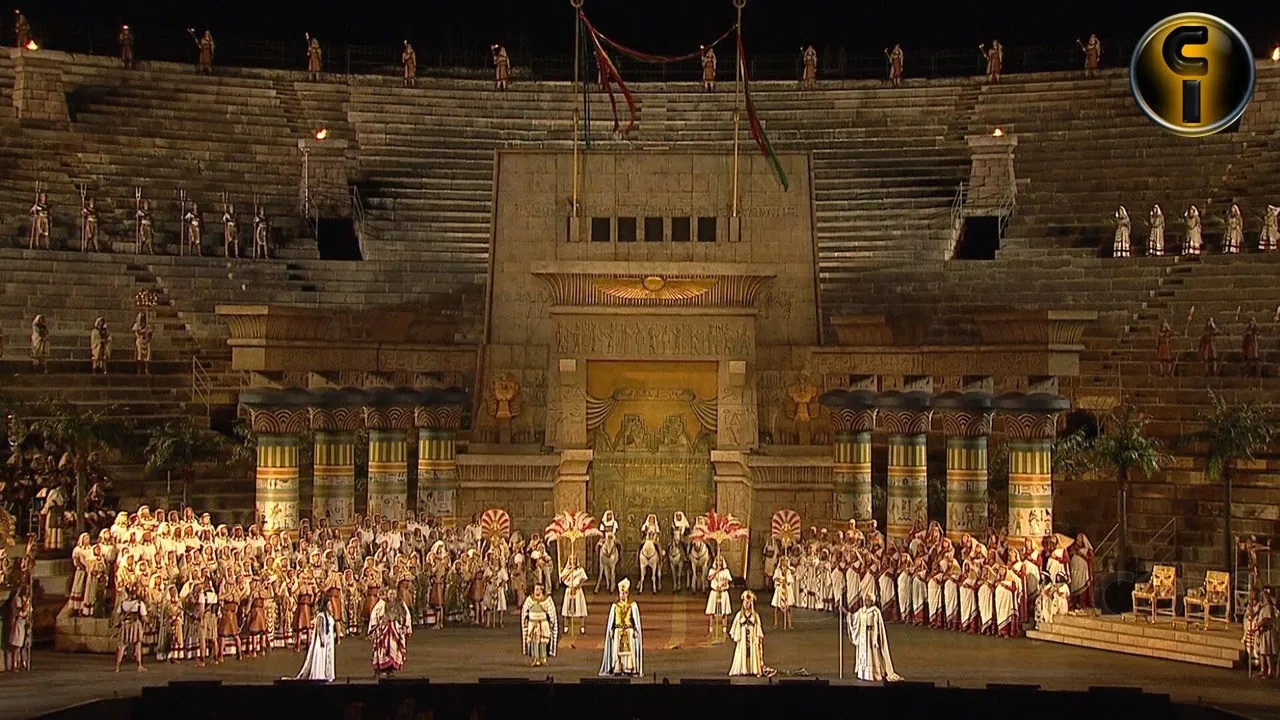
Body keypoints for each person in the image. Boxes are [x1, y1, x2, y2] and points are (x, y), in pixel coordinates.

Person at [848, 592, 903, 682]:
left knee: (872, 655)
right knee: (863, 655)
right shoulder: (861, 611)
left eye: (868, 600)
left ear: (872, 601)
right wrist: (847, 614)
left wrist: (875, 638)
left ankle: (874, 673)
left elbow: (878, 626)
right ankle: (863, 673)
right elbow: (854, 618)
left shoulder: (875, 612)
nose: (866, 602)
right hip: (863, 636)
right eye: (865, 600)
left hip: (871, 636)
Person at [599, 578, 643, 677]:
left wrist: (636, 630)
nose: (622, 595)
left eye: (624, 593)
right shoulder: (615, 606)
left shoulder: (632, 605)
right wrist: (611, 629)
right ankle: (618, 667)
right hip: (618, 631)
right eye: (620, 593)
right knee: (617, 651)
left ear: (627, 593)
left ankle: (629, 667)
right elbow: (612, 621)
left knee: (629, 651)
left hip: (629, 630)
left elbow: (635, 620)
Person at [728, 590, 775, 677]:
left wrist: (758, 638)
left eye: (748, 603)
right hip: (743, 638)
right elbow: (735, 627)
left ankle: (753, 668)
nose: (746, 604)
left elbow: (758, 628)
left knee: (752, 652)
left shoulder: (755, 615)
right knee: (742, 651)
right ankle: (743, 668)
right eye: (745, 602)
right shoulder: (739, 615)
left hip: (752, 638)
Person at [368, 586, 411, 677]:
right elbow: (374, 615)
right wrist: (375, 627)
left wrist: (404, 626)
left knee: (393, 650)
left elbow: (406, 615)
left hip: (395, 630)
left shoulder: (400, 603)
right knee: (382, 650)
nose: (392, 596)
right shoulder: (381, 603)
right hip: (383, 630)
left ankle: (390, 669)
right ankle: (379, 669)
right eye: (390, 594)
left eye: (393, 594)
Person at [294, 595, 336, 681]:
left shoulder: (329, 616)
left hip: (329, 639)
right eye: (329, 605)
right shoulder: (321, 616)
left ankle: (328, 674)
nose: (330, 607)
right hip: (322, 640)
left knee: (328, 657)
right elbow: (319, 628)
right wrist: (322, 638)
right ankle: (319, 674)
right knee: (321, 657)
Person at [521, 583, 558, 667]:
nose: (536, 591)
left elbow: (551, 613)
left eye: (538, 589)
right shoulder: (529, 600)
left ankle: (543, 657)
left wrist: (551, 622)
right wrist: (526, 619)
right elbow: (525, 611)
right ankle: (536, 658)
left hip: (543, 623)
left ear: (541, 590)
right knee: (534, 641)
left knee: (543, 641)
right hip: (533, 623)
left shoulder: (547, 600)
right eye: (535, 589)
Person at [1244, 587, 1276, 679]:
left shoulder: (1268, 607)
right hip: (1261, 632)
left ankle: (1270, 670)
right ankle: (1262, 670)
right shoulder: (1261, 607)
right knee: (1261, 652)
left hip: (1266, 632)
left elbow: (1265, 620)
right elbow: (1253, 614)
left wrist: (1256, 627)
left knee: (1267, 652)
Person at [115, 583, 147, 672]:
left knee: (122, 646)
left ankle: (117, 666)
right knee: (137, 645)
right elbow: (144, 617)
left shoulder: (123, 603)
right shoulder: (139, 603)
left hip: (125, 625)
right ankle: (139, 666)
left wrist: (118, 623)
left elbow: (118, 614)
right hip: (135, 625)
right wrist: (148, 621)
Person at [560, 553, 588, 639]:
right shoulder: (566, 569)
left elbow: (583, 579)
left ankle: (582, 629)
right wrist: (570, 570)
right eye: (571, 559)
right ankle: (566, 628)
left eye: (575, 559)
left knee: (581, 609)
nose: (573, 561)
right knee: (566, 609)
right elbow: (562, 579)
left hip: (578, 590)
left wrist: (578, 586)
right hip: (569, 590)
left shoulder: (580, 570)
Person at [706, 554, 733, 640]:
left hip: (723, 592)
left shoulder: (726, 571)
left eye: (720, 560)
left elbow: (728, 580)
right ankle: (711, 631)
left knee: (724, 612)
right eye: (717, 560)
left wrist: (722, 585)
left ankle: (724, 631)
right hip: (714, 592)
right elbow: (709, 578)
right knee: (712, 611)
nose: (719, 562)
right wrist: (716, 571)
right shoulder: (712, 570)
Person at [772, 554, 795, 630]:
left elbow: (793, 572)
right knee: (777, 607)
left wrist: (788, 568)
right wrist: (780, 580)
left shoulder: (789, 570)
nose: (785, 562)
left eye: (786, 561)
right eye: (783, 561)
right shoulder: (778, 570)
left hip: (787, 589)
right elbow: (775, 578)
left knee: (788, 607)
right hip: (780, 589)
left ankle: (789, 623)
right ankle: (776, 623)